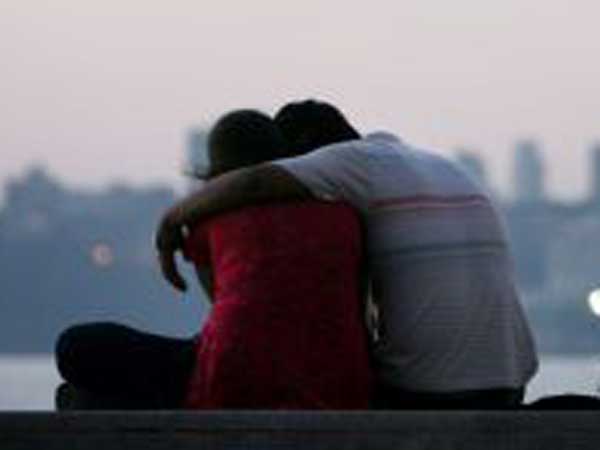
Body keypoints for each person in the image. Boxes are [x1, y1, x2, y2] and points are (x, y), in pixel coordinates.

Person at [156, 99, 539, 409]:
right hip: (510, 385)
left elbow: (255, 182)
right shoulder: (441, 166)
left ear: (305, 156)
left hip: (426, 396)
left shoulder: (348, 163)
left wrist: (175, 219)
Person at [55, 109, 372, 409]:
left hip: (231, 380)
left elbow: (225, 308)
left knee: (75, 349)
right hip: (340, 387)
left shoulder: (208, 220)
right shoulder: (343, 218)